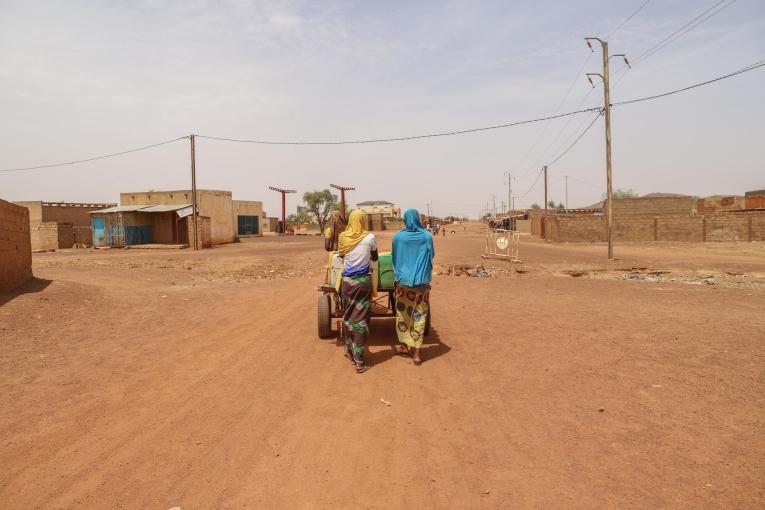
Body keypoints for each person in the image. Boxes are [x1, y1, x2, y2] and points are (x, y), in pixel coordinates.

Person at [392, 209, 435, 365]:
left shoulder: (398, 237)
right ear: (418, 219)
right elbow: (432, 256)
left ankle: (404, 346)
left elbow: (394, 258)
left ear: (405, 220)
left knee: (403, 314)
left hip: (403, 282)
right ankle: (417, 354)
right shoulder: (427, 236)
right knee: (419, 316)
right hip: (421, 285)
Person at [338, 209, 378, 373]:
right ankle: (360, 361)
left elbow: (341, 257)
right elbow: (375, 258)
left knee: (348, 317)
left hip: (346, 283)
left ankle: (349, 350)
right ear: (362, 220)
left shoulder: (342, 237)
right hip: (362, 283)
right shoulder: (369, 237)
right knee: (360, 320)